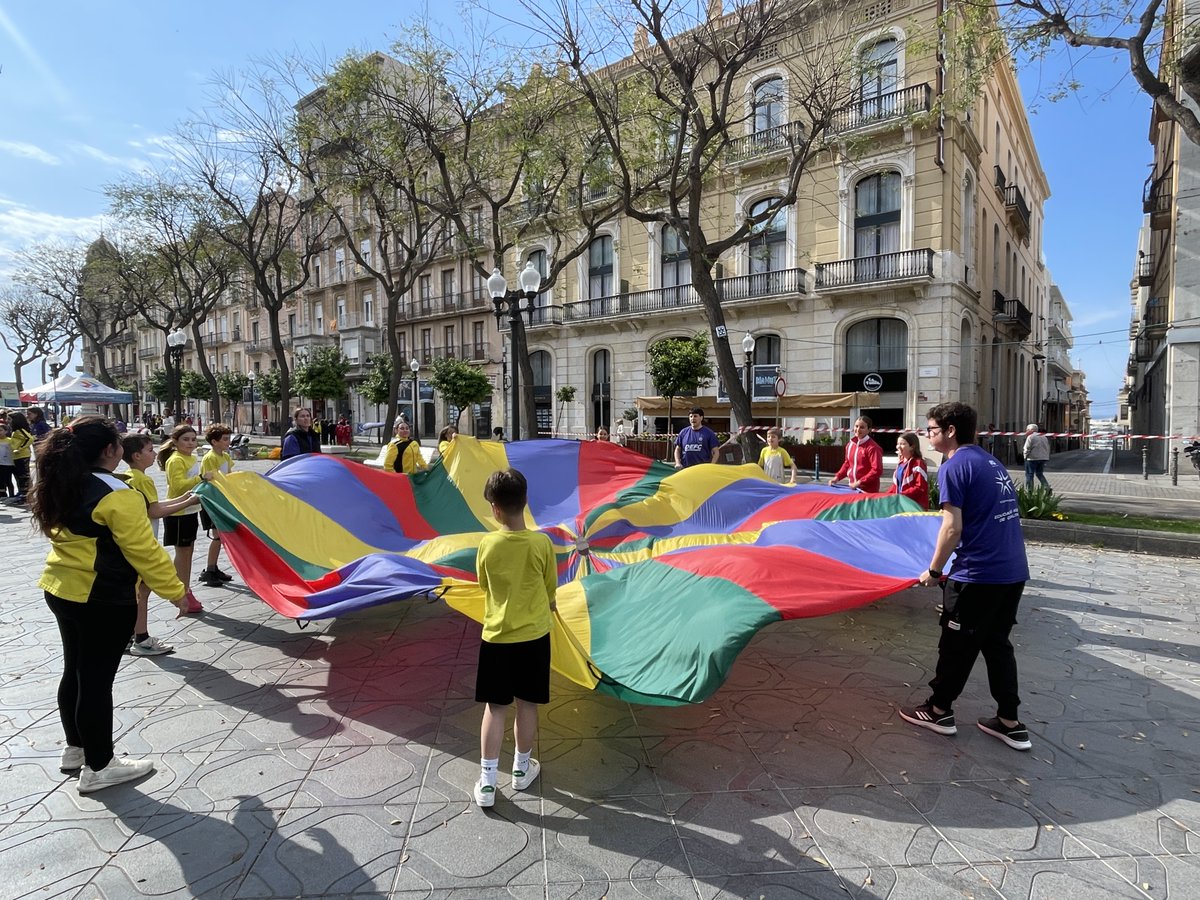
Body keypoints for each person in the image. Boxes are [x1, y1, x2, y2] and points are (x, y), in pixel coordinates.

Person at [31, 416, 187, 793]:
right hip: (101, 597)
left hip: (61, 589)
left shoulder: (63, 481)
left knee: (77, 673)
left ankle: (77, 749)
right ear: (110, 451)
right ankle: (99, 766)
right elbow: (144, 551)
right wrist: (176, 591)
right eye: (118, 443)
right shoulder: (116, 494)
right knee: (97, 682)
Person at [899, 401, 1032, 751]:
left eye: (931, 429)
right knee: (997, 644)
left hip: (978, 575)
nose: (928, 435)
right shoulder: (991, 462)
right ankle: (1010, 721)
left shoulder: (954, 466)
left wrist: (933, 570)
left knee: (956, 644)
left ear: (950, 431)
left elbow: (952, 527)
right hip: (1012, 572)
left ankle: (939, 710)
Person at [473, 468, 557, 808]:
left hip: (496, 638)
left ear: (494, 508)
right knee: (528, 704)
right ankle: (522, 771)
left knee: (496, 708)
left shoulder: (487, 544)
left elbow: (484, 584)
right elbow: (550, 587)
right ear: (526, 502)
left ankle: (488, 783)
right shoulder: (542, 543)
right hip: (534, 637)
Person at [121, 434, 198, 654]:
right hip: (145, 541)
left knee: (139, 591)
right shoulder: (143, 479)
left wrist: (184, 498)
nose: (154, 454)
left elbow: (154, 504)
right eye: (149, 451)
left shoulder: (130, 476)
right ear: (137, 455)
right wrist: (189, 501)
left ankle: (131, 635)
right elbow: (154, 511)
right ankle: (141, 639)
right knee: (143, 592)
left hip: (135, 540)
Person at [158, 425, 210, 614]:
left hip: (189, 510)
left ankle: (184, 588)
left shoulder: (191, 457)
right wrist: (202, 478)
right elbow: (179, 486)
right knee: (183, 553)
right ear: (176, 442)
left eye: (193, 439)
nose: (190, 443)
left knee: (188, 552)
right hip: (178, 513)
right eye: (185, 439)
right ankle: (179, 591)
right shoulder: (176, 460)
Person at [197, 425, 236, 587]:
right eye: (225, 439)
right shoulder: (210, 458)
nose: (228, 442)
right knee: (217, 536)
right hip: (212, 501)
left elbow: (230, 476)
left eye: (229, 438)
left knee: (220, 537)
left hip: (223, 500)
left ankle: (213, 567)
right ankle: (209, 570)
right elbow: (210, 480)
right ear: (214, 442)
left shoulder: (225, 457)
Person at [829, 415, 883, 493]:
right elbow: (847, 464)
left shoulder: (873, 448)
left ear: (869, 430)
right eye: (856, 426)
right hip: (852, 489)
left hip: (868, 491)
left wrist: (859, 482)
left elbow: (877, 470)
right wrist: (837, 477)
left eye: (862, 427)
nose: (858, 429)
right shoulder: (850, 445)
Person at [885, 431, 930, 509]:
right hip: (901, 505)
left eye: (902, 444)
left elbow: (920, 487)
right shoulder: (901, 463)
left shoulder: (918, 463)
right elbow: (896, 485)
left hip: (915, 506)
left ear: (912, 446)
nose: (898, 446)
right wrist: (885, 496)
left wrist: (901, 495)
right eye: (898, 444)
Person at [8, 411, 34, 503]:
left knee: (23, 475)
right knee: (19, 475)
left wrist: (20, 448)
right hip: (16, 455)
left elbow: (29, 438)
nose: (8, 421)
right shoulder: (15, 430)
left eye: (10, 419)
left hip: (22, 455)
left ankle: (25, 494)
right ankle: (22, 493)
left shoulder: (20, 430)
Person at [1022, 423, 1052, 491]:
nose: (1026, 431)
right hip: (1043, 458)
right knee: (1039, 474)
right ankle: (1047, 487)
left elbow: (1027, 448)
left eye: (1027, 430)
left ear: (1031, 430)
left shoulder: (1030, 437)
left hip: (1032, 458)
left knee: (1029, 474)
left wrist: (1025, 456)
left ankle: (1029, 490)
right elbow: (1047, 447)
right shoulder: (1044, 437)